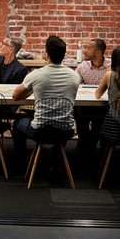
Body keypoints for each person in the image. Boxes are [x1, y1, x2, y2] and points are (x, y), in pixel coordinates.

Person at [12, 35, 80, 174]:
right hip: (66, 130)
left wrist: (33, 90)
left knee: (17, 123)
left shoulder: (37, 75)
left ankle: (20, 165)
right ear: (63, 55)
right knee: (60, 124)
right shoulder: (74, 76)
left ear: (47, 54)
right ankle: (55, 160)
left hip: (40, 131)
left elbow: (15, 96)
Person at [74, 38, 111, 158]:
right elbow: (75, 86)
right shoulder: (82, 67)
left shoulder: (111, 67)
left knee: (100, 123)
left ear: (98, 53)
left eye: (89, 48)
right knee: (78, 114)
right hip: (85, 105)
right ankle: (85, 142)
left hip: (104, 105)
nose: (85, 51)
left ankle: (95, 141)